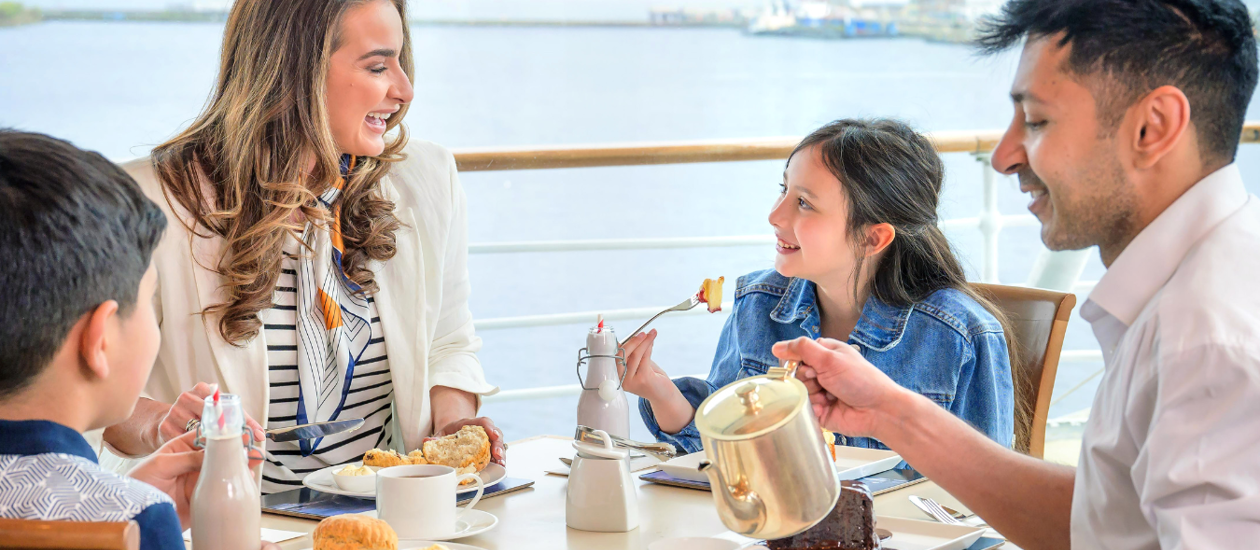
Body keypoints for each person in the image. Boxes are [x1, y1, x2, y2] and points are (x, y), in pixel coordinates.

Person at [775, 1, 1260, 549]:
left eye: (1036, 121)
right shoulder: (1203, 284)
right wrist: (889, 411)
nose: (1004, 156)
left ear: (1153, 127)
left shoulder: (1208, 341)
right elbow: (1107, 521)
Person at [96, 0, 503, 493]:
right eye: (378, 66)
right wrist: (163, 424)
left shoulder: (426, 177)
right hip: (220, 520)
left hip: (393, 517)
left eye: (400, 61)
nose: (404, 90)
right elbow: (93, 393)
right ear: (295, 72)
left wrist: (452, 423)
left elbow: (448, 340)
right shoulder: (149, 201)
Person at [621, 119, 1018, 454]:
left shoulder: (961, 336)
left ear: (872, 238)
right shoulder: (758, 303)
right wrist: (659, 392)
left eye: (805, 204)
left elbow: (988, 498)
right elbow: (725, 452)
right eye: (784, 191)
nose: (775, 216)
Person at [0, 130, 279, 550]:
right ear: (100, 340)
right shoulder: (135, 517)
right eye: (148, 301)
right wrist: (139, 514)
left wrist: (129, 492)